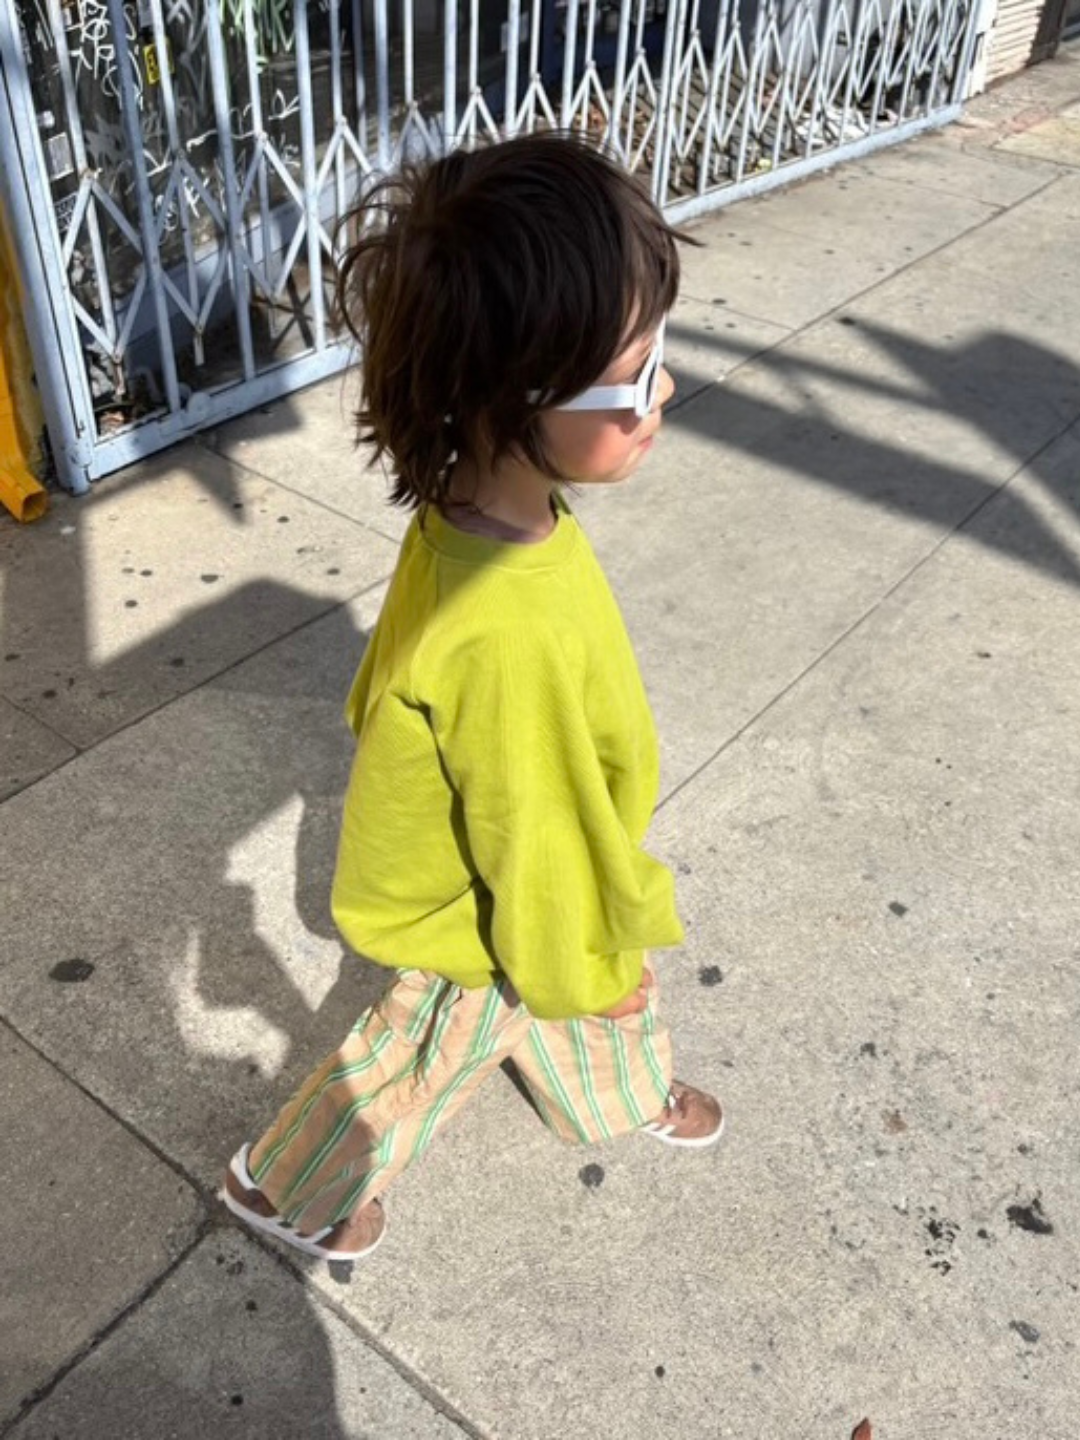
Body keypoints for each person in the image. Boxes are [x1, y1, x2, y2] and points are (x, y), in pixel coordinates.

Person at [223, 132, 723, 1263]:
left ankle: (612, 1093)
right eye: (635, 375)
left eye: (662, 353)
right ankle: (285, 1187)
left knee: (560, 1003)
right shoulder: (507, 625)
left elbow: (392, 680)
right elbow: (534, 844)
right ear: (514, 396)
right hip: (487, 918)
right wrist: (579, 960)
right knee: (430, 1052)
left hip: (506, 883)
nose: (665, 389)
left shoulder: (475, 502)